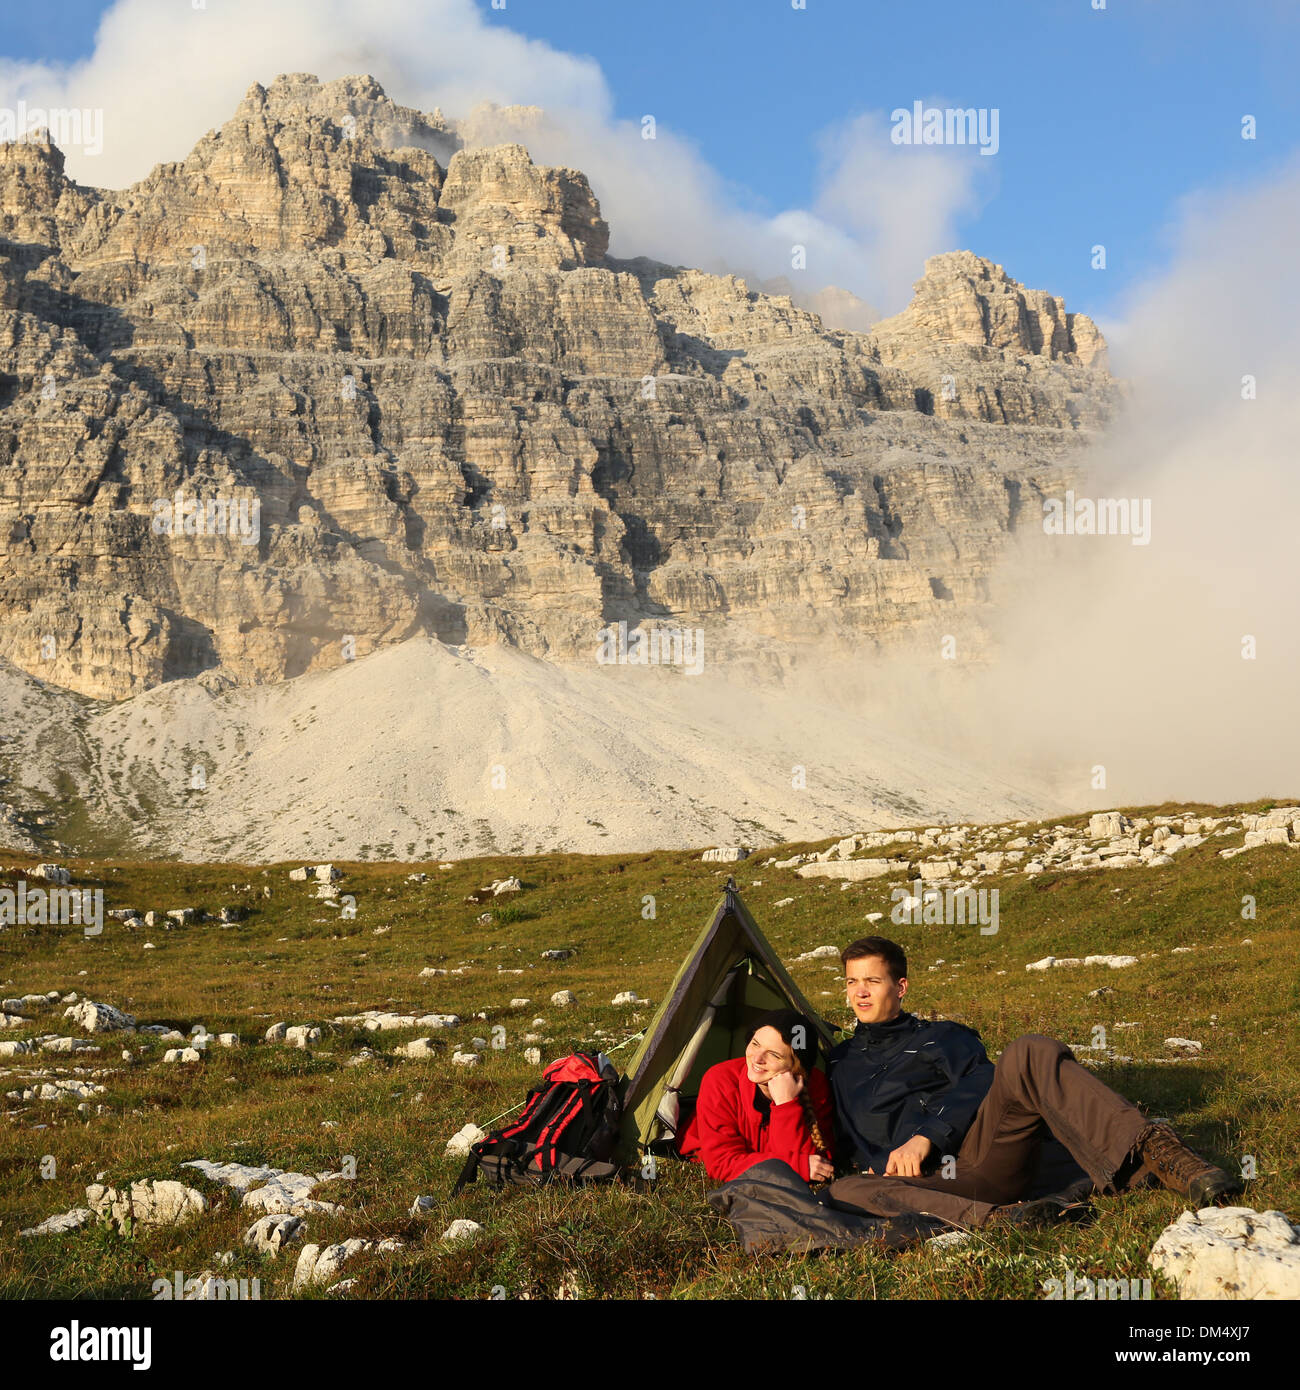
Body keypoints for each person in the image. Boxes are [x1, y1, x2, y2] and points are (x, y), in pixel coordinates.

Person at [825, 935, 1243, 1229]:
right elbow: (839, 1134)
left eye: (872, 981)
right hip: (920, 1185)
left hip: (979, 1156)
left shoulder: (943, 1036)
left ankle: (1170, 1157)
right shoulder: (839, 1063)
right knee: (847, 1188)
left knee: (1030, 1048)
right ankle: (1005, 1221)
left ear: (900, 988)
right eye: (851, 982)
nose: (860, 992)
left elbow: (981, 1082)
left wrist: (928, 1135)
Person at [679, 1009, 835, 1184]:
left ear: (796, 1067)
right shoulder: (720, 1080)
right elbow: (721, 1164)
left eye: (774, 1054)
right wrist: (795, 1166)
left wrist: (786, 1105)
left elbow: (818, 1162)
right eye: (755, 1044)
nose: (757, 1058)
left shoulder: (816, 1086)